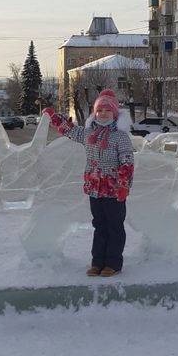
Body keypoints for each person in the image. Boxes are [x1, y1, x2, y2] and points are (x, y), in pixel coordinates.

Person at [43, 89, 134, 277]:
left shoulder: (120, 136)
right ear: (95, 113)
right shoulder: (88, 134)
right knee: (99, 226)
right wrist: (54, 117)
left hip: (114, 190)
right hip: (95, 189)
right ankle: (97, 262)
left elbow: (127, 161)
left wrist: (124, 185)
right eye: (100, 110)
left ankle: (113, 263)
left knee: (114, 227)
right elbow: (70, 130)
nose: (103, 114)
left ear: (115, 113)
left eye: (108, 110)